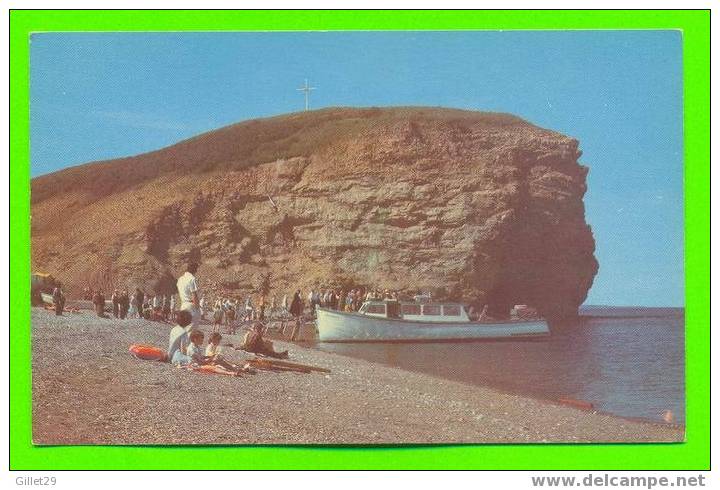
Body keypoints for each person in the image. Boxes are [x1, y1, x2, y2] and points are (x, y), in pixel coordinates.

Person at [177, 262, 201, 329]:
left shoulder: (180, 279)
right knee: (191, 329)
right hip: (191, 306)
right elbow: (194, 295)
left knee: (183, 328)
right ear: (195, 269)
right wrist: (197, 308)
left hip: (183, 304)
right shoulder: (192, 279)